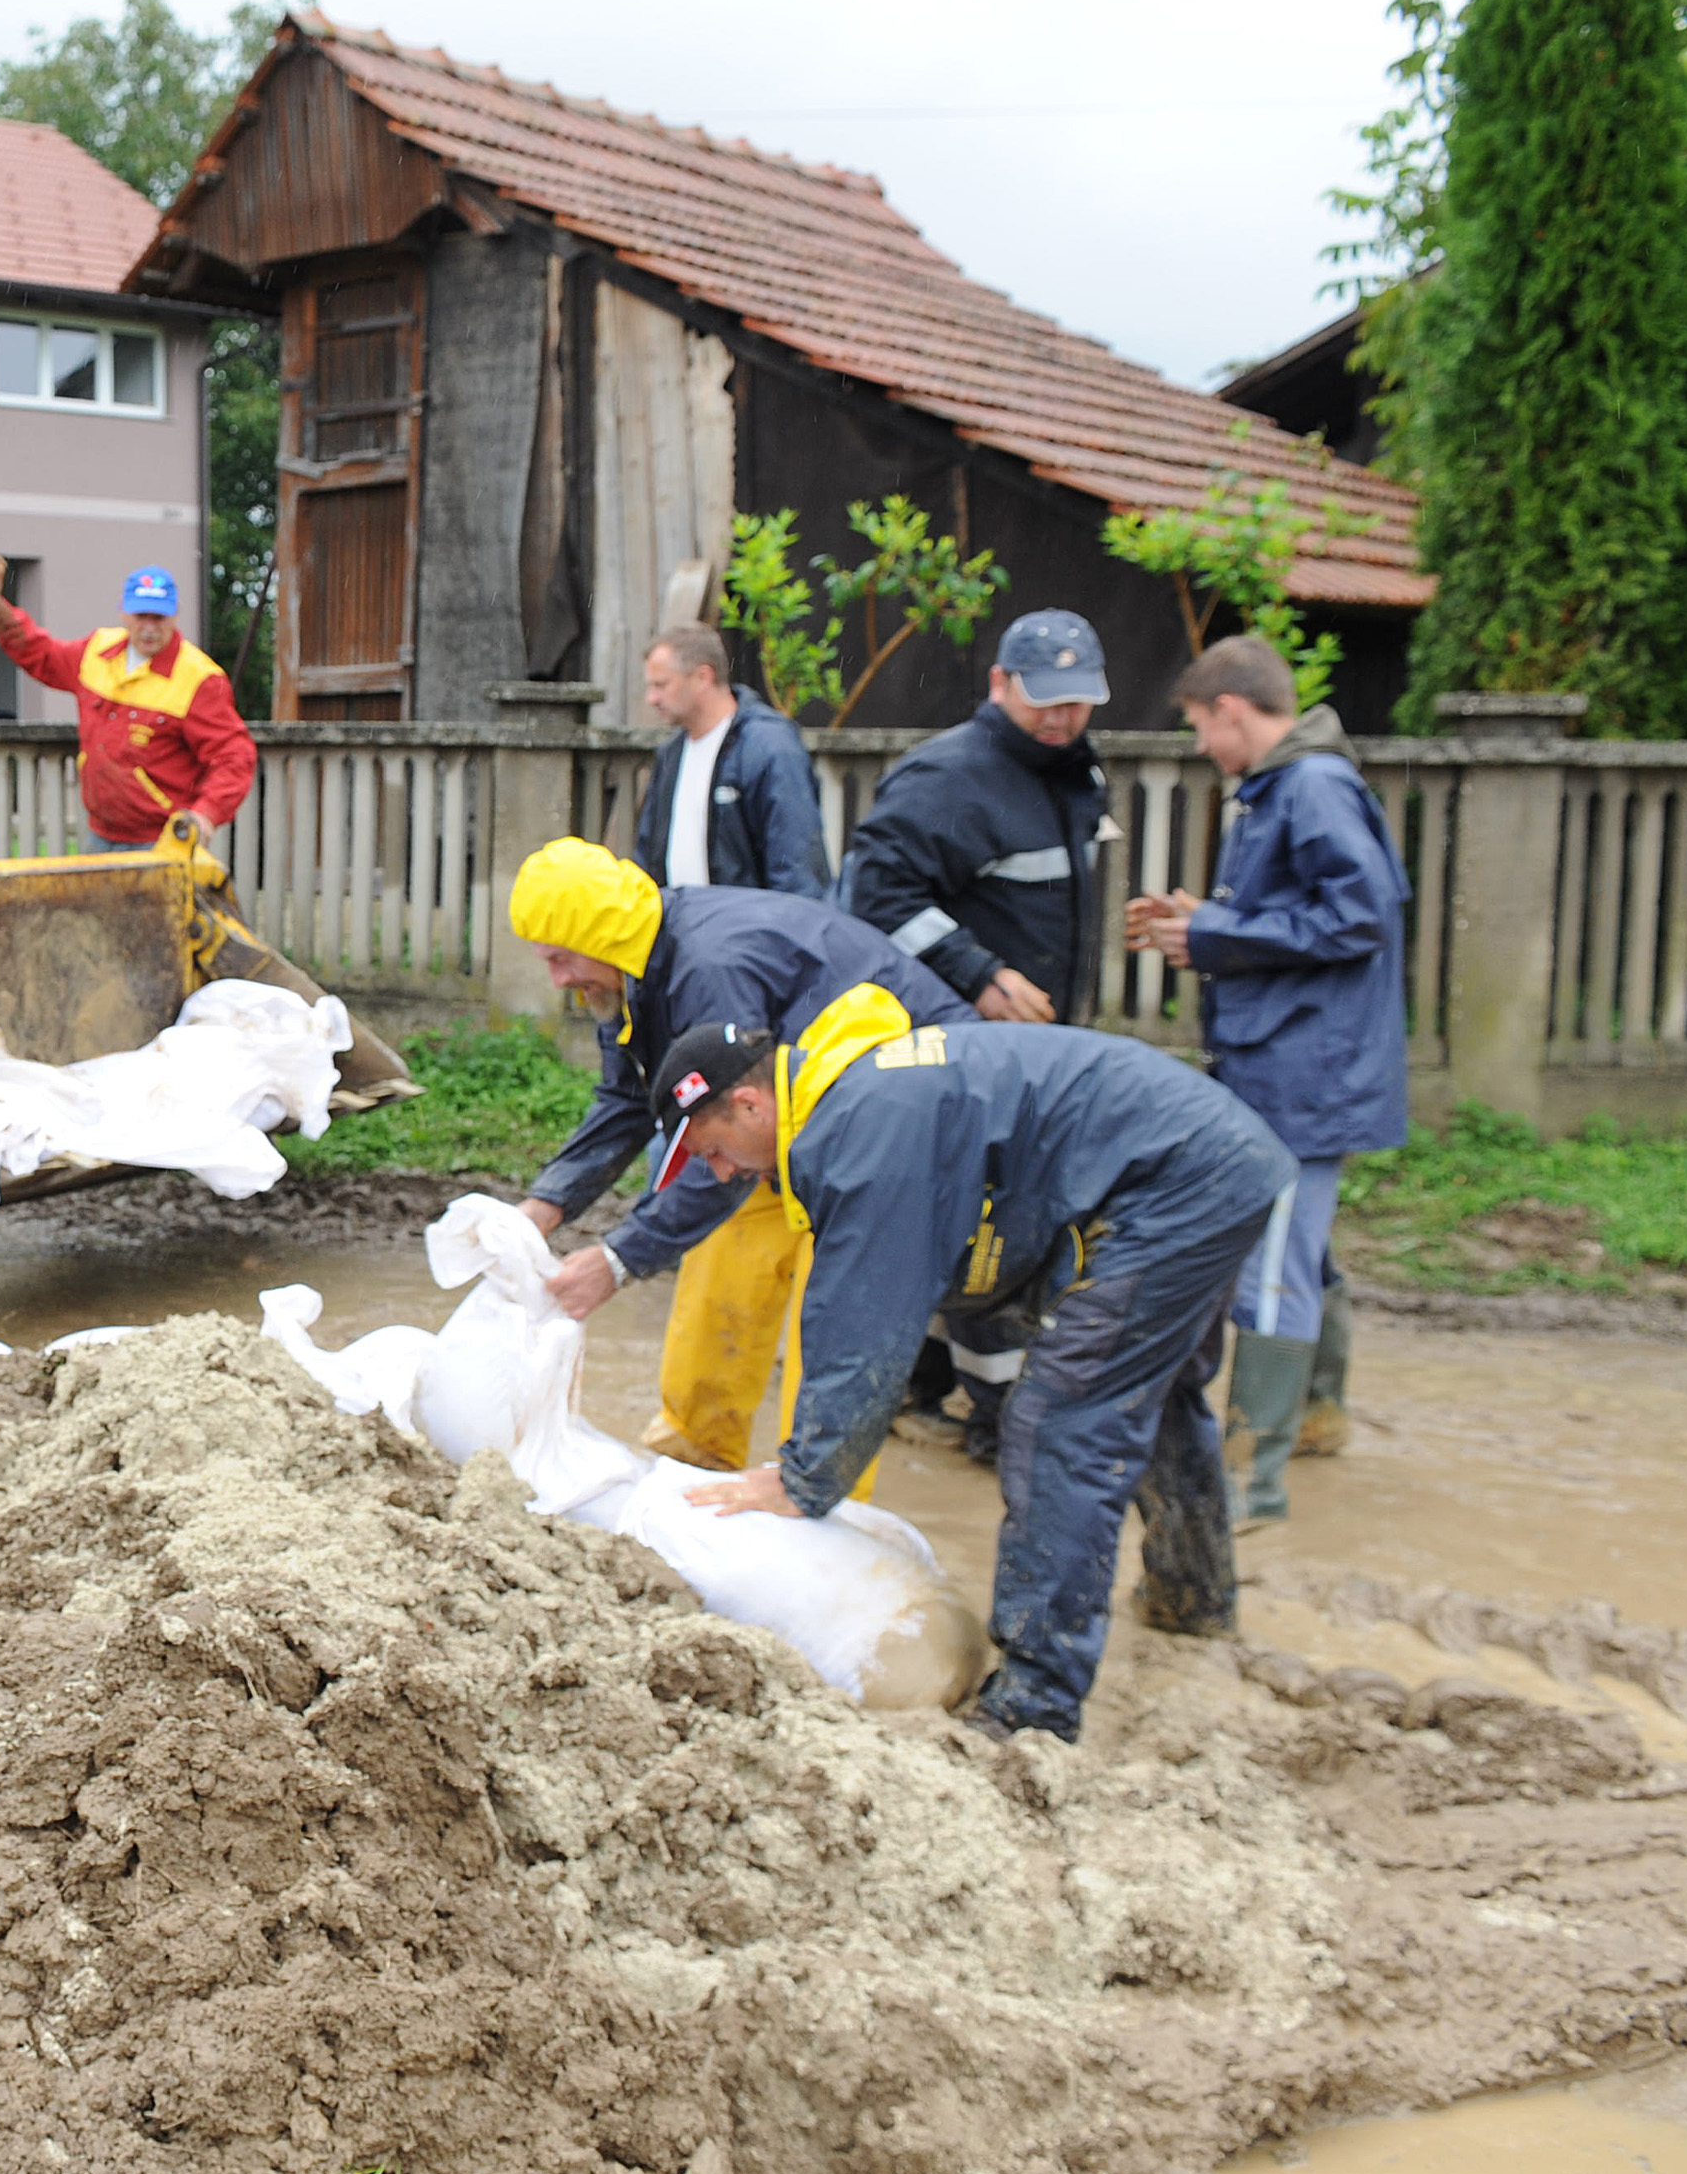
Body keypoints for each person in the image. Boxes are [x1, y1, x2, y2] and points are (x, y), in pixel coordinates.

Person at [653, 1007, 1293, 1741]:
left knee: (1059, 1421)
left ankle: (1035, 1706)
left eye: (712, 1149)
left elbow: (867, 1322)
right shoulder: (858, 1102)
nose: (724, 1172)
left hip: (1178, 1181)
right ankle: (1192, 1600)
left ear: (748, 1102)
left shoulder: (860, 1131)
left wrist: (803, 1477)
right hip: (1202, 1159)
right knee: (1151, 1390)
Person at [505, 838, 973, 1488]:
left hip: (888, 1110)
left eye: (561, 959)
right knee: (728, 1250)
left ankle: (818, 1490)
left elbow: (720, 1130)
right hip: (790, 1107)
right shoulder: (629, 974)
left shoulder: (708, 968)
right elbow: (630, 1096)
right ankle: (694, 1450)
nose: (557, 979)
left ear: (602, 936)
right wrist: (543, 1206)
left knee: (837, 1290)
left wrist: (618, 1259)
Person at [1129, 636, 1407, 1532]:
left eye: (1204, 727)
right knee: (1305, 1244)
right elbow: (1301, 917)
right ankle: (1318, 1415)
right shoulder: (1285, 788)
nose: (1205, 747)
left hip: (1303, 1072)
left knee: (1277, 1259)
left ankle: (1251, 1479)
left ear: (1234, 709)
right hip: (1297, 1059)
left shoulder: (1311, 787)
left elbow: (1358, 912)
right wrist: (1204, 923)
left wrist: (1212, 937)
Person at [835, 607, 1117, 1458]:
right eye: (1045, 701)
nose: (1063, 718)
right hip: (965, 1046)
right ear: (998, 685)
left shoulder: (1077, 774)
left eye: (1079, 702)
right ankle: (998, 1419)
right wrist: (980, 973)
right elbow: (875, 900)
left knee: (985, 1223)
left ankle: (922, 1385)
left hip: (1043, 1045)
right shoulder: (946, 777)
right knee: (993, 1224)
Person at [0, 555, 254, 848]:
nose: (149, 627)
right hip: (100, 833)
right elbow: (41, 655)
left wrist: (205, 814)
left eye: (158, 617)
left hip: (164, 840)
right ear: (123, 612)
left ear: (174, 615)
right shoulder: (97, 651)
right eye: (140, 616)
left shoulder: (199, 678)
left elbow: (233, 755)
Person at [627, 622, 829, 898]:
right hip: (679, 929)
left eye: (661, 685)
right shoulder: (671, 752)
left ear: (703, 677)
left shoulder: (769, 747)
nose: (651, 698)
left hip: (747, 933)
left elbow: (796, 864)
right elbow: (648, 855)